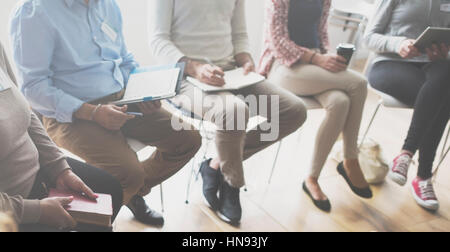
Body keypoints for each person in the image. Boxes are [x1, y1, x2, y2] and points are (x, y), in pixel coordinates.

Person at [10, 0, 202, 226]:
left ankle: (129, 192)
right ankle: (112, 202)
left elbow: (123, 59)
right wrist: (92, 113)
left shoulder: (107, 4)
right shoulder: (34, 11)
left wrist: (145, 90)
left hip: (122, 96)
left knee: (188, 139)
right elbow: (33, 89)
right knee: (127, 173)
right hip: (68, 113)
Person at [148, 0, 307, 224]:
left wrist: (245, 58)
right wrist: (195, 68)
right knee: (234, 111)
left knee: (294, 110)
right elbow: (158, 40)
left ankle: (215, 165)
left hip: (228, 72)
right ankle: (232, 182)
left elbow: (239, 34)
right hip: (183, 78)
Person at [258, 0, 372, 212]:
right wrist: (316, 58)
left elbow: (321, 34)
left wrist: (328, 57)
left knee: (340, 102)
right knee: (359, 83)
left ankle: (312, 178)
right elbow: (277, 42)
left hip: (313, 66)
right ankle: (350, 158)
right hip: (282, 66)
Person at [0, 41, 123, 232]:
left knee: (111, 189)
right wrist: (36, 211)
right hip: (12, 208)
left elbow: (26, 113)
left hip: (39, 173)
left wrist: (59, 168)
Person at [365, 0, 450, 211]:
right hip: (389, 63)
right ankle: (423, 177)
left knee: (444, 82)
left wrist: (443, 52)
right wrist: (398, 44)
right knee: (443, 95)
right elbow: (369, 37)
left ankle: (405, 155)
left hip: (433, 68)